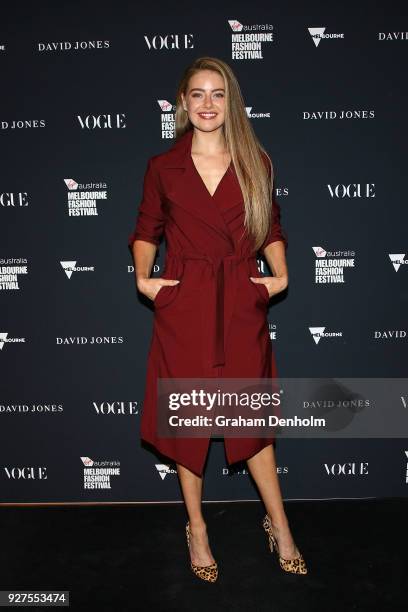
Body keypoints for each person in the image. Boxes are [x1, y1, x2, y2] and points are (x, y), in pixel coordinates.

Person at [128, 57, 307, 581]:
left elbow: (270, 224)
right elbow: (146, 228)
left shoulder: (256, 161)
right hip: (185, 301)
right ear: (183, 103)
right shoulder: (163, 166)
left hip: (238, 301)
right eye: (198, 94)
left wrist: (280, 274)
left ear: (232, 103)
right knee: (189, 416)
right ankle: (198, 528)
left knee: (249, 417)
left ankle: (281, 524)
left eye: (218, 94)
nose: (208, 104)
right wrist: (145, 277)